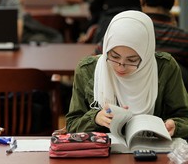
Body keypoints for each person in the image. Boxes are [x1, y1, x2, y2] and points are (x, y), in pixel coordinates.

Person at [66, 10, 188, 139]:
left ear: (146, 56)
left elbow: (184, 117)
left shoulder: (164, 68)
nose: (121, 66)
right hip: (103, 154)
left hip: (155, 153)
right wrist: (95, 118)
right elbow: (72, 125)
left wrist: (175, 126)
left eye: (132, 60)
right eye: (114, 56)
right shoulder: (88, 70)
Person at [139, 0, 188, 90]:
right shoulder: (183, 39)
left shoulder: (123, 32)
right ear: (172, 3)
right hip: (175, 104)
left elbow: (97, 58)